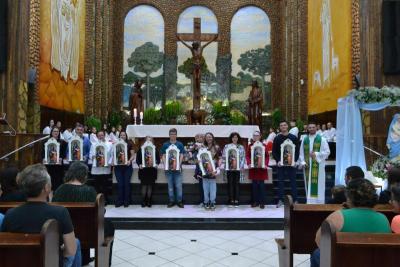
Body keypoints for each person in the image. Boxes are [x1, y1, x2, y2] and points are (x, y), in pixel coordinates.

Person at [1, 164, 81, 267]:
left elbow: (5, 247)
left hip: (21, 263)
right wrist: (57, 254)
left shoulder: (10, 214)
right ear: (46, 188)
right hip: (50, 263)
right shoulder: (60, 212)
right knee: (75, 243)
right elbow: (71, 250)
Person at [311, 178, 391, 267]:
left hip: (344, 263)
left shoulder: (338, 216)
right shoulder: (384, 219)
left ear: (349, 197)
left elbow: (319, 241)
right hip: (374, 263)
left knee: (317, 253)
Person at [52, 161, 114, 267]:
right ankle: (105, 262)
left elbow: (54, 210)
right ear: (84, 175)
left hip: (64, 232)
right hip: (89, 233)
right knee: (109, 225)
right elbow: (100, 212)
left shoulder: (59, 190)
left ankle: (84, 258)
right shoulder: (90, 191)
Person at [299, 122, 330, 204]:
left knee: (319, 186)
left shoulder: (322, 139)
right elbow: (301, 153)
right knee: (309, 186)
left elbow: (327, 152)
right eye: (310, 127)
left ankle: (319, 203)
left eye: (313, 127)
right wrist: (303, 162)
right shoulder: (304, 140)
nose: (312, 129)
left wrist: (316, 154)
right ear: (307, 129)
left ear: (316, 128)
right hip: (307, 167)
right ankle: (310, 203)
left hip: (318, 167)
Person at [272, 120, 300, 207]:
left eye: (284, 125)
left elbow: (297, 151)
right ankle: (280, 200)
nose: (283, 127)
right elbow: (274, 151)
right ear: (280, 127)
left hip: (291, 164)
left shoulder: (293, 137)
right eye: (281, 125)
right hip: (281, 164)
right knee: (280, 182)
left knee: (293, 182)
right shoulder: (277, 138)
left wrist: (294, 160)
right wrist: (278, 161)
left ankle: (295, 200)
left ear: (287, 126)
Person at [161, 128, 185, 208]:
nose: (173, 135)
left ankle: (179, 201)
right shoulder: (165, 144)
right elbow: (163, 155)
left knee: (178, 185)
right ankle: (171, 201)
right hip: (168, 169)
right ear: (169, 135)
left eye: (174, 134)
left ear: (176, 135)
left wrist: (179, 164)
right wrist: (165, 165)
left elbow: (182, 155)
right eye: (171, 134)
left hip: (177, 168)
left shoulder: (180, 144)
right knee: (170, 185)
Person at [246, 131, 269, 209]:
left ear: (260, 136)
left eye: (257, 135)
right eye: (254, 136)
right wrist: (249, 163)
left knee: (262, 186)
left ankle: (262, 202)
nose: (256, 137)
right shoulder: (250, 146)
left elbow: (267, 156)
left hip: (262, 169)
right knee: (254, 186)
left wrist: (265, 164)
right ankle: (255, 201)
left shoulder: (264, 145)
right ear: (253, 137)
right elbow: (247, 156)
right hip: (253, 169)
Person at [222, 132, 246, 207]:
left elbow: (243, 157)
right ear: (231, 138)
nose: (234, 139)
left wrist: (240, 166)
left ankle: (236, 200)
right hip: (229, 168)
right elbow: (224, 156)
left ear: (238, 138)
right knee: (230, 184)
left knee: (236, 184)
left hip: (238, 168)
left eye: (236, 137)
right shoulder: (227, 146)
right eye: (233, 137)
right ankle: (231, 199)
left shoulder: (241, 147)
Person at [136, 136, 160, 207]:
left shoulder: (155, 149)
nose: (148, 142)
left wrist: (156, 164)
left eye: (150, 140)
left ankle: (149, 201)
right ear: (145, 141)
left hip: (152, 170)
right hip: (143, 170)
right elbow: (137, 159)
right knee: (144, 186)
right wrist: (139, 164)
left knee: (150, 186)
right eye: (147, 140)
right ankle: (143, 201)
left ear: (152, 142)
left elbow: (158, 159)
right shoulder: (141, 149)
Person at [89, 130, 112, 203]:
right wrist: (92, 157)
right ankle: (98, 201)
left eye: (102, 135)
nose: (100, 136)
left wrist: (109, 162)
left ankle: (105, 200)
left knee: (105, 185)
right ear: (97, 136)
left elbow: (111, 155)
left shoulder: (109, 144)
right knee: (97, 186)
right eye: (99, 135)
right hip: (96, 169)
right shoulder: (93, 144)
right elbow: (90, 154)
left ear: (104, 135)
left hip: (105, 168)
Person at [113, 131, 135, 207]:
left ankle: (126, 201)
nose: (122, 136)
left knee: (126, 184)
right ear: (119, 136)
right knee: (120, 184)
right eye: (121, 135)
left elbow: (133, 155)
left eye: (124, 135)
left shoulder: (129, 143)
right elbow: (113, 155)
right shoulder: (116, 144)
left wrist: (129, 160)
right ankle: (120, 200)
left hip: (127, 167)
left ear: (126, 136)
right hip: (118, 167)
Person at [200, 132, 221, 210]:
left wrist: (218, 167)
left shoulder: (216, 147)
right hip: (204, 168)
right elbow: (200, 157)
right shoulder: (202, 147)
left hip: (213, 169)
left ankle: (212, 202)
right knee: (205, 187)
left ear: (212, 138)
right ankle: (206, 201)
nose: (209, 138)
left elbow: (220, 158)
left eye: (210, 137)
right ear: (205, 138)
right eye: (207, 137)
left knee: (212, 187)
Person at [43, 126, 68, 191]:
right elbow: (43, 153)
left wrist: (61, 158)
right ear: (51, 132)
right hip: (49, 166)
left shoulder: (63, 142)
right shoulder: (46, 141)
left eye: (57, 131)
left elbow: (64, 154)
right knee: (49, 182)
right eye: (54, 131)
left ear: (59, 133)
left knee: (58, 183)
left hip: (58, 166)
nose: (56, 132)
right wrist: (43, 158)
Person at [193, 133, 205, 205]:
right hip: (199, 169)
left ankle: (206, 200)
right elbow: (194, 158)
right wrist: (196, 149)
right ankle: (202, 200)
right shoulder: (195, 147)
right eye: (198, 137)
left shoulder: (206, 146)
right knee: (201, 186)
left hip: (206, 168)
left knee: (206, 186)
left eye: (201, 137)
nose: (199, 138)